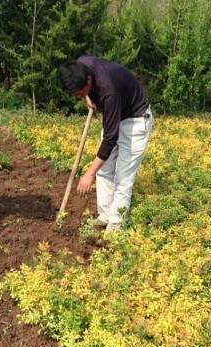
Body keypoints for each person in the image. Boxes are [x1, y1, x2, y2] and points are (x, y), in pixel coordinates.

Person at [58, 56, 154, 232]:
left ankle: (115, 226)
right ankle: (105, 215)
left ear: (89, 80)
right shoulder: (81, 64)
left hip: (136, 120)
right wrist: (88, 97)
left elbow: (110, 139)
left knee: (123, 177)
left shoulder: (108, 90)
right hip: (117, 114)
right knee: (104, 169)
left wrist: (89, 174)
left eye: (80, 92)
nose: (77, 96)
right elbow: (109, 136)